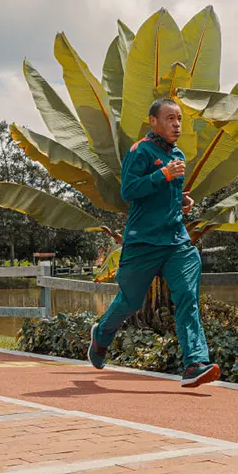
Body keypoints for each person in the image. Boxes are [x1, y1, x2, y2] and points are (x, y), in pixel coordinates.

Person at [87, 98, 219, 388]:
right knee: (130, 301)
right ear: (153, 121)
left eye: (180, 119)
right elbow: (129, 190)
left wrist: (181, 200)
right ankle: (102, 335)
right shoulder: (140, 151)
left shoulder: (178, 154)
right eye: (170, 118)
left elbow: (165, 193)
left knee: (186, 296)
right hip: (143, 242)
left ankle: (194, 362)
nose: (176, 124)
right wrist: (163, 175)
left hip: (176, 242)